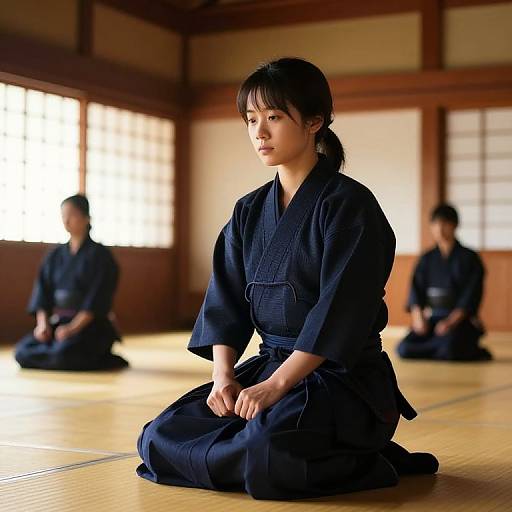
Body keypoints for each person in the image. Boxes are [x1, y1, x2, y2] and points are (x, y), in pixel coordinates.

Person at [136, 58, 437, 500]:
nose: (260, 132)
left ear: (315, 121)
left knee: (268, 451)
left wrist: (277, 386)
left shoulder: (349, 206)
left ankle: (364, 456)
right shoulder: (248, 212)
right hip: (268, 367)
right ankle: (298, 450)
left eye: (274, 117)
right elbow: (225, 301)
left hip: (340, 379)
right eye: (251, 119)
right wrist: (224, 378)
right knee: (159, 434)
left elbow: (340, 313)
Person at [14, 194, 129, 371]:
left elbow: (97, 300)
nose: (66, 220)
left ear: (86, 218)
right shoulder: (54, 256)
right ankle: (72, 355)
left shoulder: (101, 256)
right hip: (58, 323)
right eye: (63, 216)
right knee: (22, 351)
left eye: (72, 215)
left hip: (89, 326)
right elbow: (42, 294)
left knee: (64, 353)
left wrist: (72, 328)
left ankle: (103, 357)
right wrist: (43, 325)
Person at [397, 204, 491, 361]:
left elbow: (471, 294)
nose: (439, 229)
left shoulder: (470, 258)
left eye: (444, 224)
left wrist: (450, 322)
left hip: (459, 321)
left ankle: (468, 349)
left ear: (454, 225)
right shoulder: (426, 258)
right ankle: (442, 348)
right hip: (432, 320)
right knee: (404, 348)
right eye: (435, 224)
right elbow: (416, 290)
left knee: (450, 348)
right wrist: (419, 319)